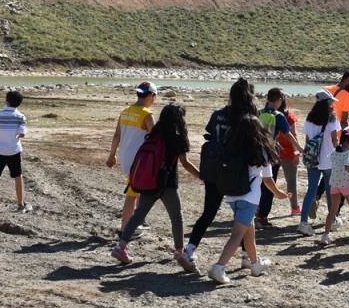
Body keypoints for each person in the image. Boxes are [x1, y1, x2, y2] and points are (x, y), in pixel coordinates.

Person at [111, 104, 202, 269]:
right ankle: (179, 252)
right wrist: (202, 176)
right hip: (168, 184)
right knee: (177, 217)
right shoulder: (177, 137)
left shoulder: (154, 133)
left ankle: (121, 246)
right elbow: (185, 163)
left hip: (150, 181)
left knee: (138, 215)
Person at [206, 114, 289, 284]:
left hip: (231, 194)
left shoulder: (231, 146)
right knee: (237, 234)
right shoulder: (261, 149)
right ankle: (219, 267)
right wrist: (279, 193)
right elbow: (267, 179)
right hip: (249, 197)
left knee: (248, 232)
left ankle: (255, 264)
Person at [182, 78, 257, 264]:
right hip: (236, 171)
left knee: (208, 212)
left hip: (214, 167)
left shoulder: (218, 114)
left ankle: (189, 249)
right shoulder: (246, 117)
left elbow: (210, 134)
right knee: (243, 216)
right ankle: (247, 256)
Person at [106, 82, 157, 231]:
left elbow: (117, 135)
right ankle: (125, 229)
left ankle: (138, 220)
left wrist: (112, 155)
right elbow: (155, 139)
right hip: (138, 161)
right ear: (151, 96)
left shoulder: (125, 111)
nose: (154, 100)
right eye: (154, 97)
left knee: (140, 190)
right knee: (132, 194)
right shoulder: (147, 115)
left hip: (125, 157)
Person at [255, 88, 302, 228]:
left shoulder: (259, 113)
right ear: (280, 100)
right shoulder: (279, 115)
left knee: (259, 183)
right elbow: (289, 134)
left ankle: (256, 213)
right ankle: (262, 217)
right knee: (270, 183)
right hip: (270, 154)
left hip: (255, 152)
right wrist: (299, 149)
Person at [298, 90, 340, 235]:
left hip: (314, 159)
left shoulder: (310, 118)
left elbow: (308, 141)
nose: (332, 103)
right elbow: (335, 139)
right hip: (328, 160)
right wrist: (339, 153)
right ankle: (333, 220)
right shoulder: (332, 118)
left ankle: (303, 222)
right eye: (331, 101)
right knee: (330, 191)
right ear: (327, 102)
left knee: (311, 190)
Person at [320, 127, 349, 245]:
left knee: (332, 211)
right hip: (346, 184)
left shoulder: (335, 151)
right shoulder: (348, 153)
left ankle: (325, 235)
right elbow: (348, 168)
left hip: (334, 184)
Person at [275, 96, 302, 215]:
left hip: (273, 151)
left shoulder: (270, 115)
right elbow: (294, 134)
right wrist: (297, 152)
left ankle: (260, 209)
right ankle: (295, 208)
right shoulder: (289, 116)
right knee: (291, 182)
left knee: (267, 181)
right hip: (288, 152)